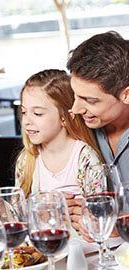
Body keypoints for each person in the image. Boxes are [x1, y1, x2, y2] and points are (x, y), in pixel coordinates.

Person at [0, 69, 103, 201]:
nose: (26, 121)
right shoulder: (27, 160)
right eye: (24, 112)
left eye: (37, 113)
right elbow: (18, 217)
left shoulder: (85, 159)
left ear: (65, 117)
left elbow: (100, 213)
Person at [65, 31, 129, 237]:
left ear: (126, 94)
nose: (75, 108)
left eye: (90, 101)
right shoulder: (80, 126)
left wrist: (114, 228)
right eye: (75, 95)